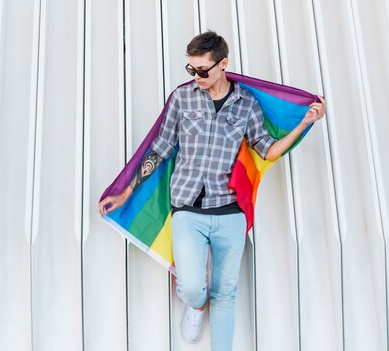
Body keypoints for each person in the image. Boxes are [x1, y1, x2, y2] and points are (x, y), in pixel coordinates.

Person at [98, 31, 326, 351]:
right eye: (191, 69)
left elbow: (267, 151)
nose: (197, 77)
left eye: (203, 70)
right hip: (187, 209)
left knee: (226, 292)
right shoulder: (182, 97)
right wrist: (127, 192)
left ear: (223, 64)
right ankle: (196, 306)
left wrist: (304, 123)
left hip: (229, 211)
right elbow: (161, 148)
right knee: (192, 286)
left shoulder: (246, 104)